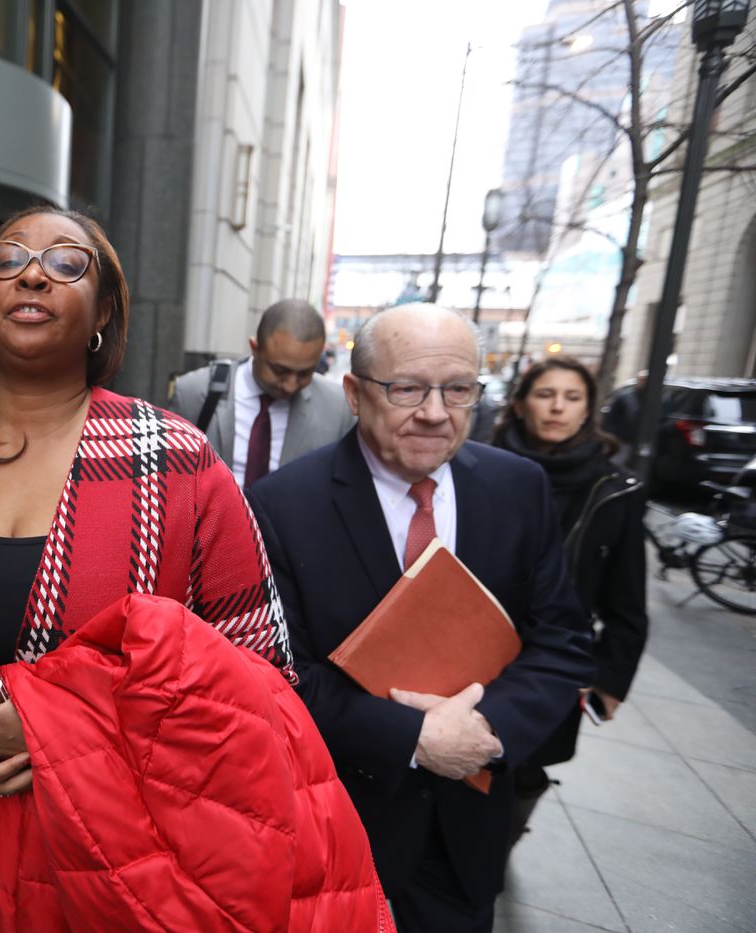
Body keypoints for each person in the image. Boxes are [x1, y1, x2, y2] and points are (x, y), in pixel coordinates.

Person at [0, 206, 391, 931]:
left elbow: (260, 682)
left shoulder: (177, 460)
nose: (32, 272)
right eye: (8, 259)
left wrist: (54, 733)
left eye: (67, 263)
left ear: (103, 313)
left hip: (134, 853)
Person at [248, 303, 594, 933]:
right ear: (354, 393)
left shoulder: (518, 488)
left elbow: (562, 642)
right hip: (337, 832)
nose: (435, 412)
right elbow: (275, 676)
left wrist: (485, 731)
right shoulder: (281, 506)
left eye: (458, 388)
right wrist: (413, 740)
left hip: (468, 837)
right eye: (406, 387)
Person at [492, 357, 647, 842]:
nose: (558, 407)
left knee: (525, 763)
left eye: (573, 397)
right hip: (479, 640)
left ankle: (503, 839)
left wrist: (611, 677)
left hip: (558, 656)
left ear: (588, 411)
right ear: (519, 405)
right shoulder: (481, 468)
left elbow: (627, 599)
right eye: (544, 394)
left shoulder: (614, 490)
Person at [168, 299, 355, 488]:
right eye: (279, 370)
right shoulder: (192, 392)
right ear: (255, 349)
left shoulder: (338, 408)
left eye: (305, 373)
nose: (290, 385)